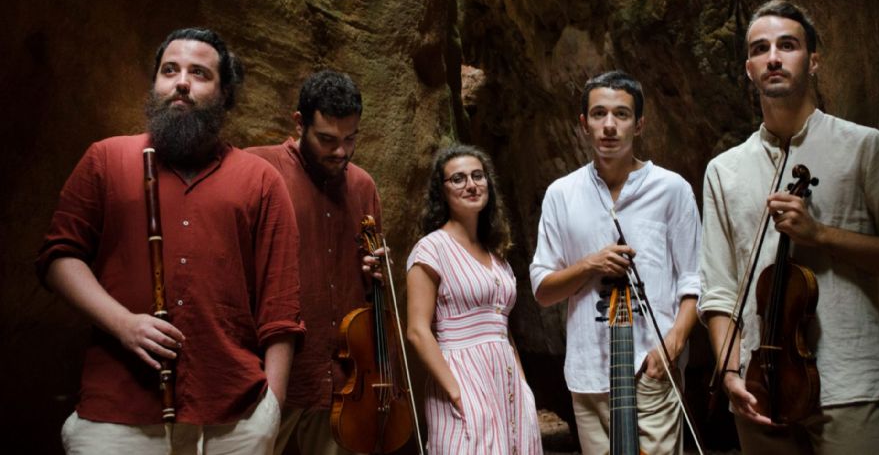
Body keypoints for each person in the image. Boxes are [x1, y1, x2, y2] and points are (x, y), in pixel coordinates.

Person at [37, 28, 304, 455]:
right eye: (170, 70)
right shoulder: (105, 159)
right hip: (117, 412)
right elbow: (59, 258)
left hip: (235, 417)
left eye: (199, 73)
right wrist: (124, 324)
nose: (182, 82)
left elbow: (281, 305)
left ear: (225, 93)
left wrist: (270, 410)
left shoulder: (261, 180)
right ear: (155, 83)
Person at [699, 0, 879, 454]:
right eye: (760, 49)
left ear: (813, 60)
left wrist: (822, 235)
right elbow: (718, 286)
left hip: (848, 383)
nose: (773, 57)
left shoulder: (865, 147)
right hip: (759, 387)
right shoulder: (723, 170)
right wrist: (729, 373)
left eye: (787, 45)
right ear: (749, 68)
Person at [529, 70, 701, 455]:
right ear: (583, 124)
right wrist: (589, 265)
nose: (609, 125)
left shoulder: (672, 190)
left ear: (639, 124)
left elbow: (694, 282)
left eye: (621, 114)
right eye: (599, 114)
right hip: (588, 373)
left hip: (651, 369)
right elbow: (542, 289)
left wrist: (670, 348)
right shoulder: (561, 193)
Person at [246, 70, 381, 455]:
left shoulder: (363, 186)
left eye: (350, 139)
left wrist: (374, 272)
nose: (341, 152)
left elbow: (370, 287)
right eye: (327, 139)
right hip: (271, 375)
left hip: (343, 381)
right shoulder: (257, 169)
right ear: (299, 123)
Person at [405, 144, 542, 455]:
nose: (471, 184)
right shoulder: (431, 249)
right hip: (460, 377)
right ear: (442, 191)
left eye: (478, 176)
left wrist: (524, 388)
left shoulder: (496, 255)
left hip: (506, 380)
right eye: (458, 179)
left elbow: (502, 328)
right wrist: (456, 392)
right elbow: (417, 331)